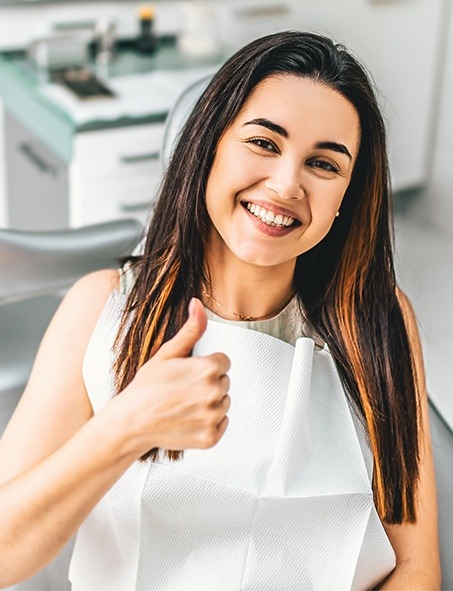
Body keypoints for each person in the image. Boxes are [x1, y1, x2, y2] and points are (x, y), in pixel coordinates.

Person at [0, 31, 441, 591]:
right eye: (263, 143)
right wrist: (124, 428)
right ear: (209, 145)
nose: (285, 185)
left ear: (346, 200)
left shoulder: (377, 320)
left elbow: (416, 568)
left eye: (324, 165)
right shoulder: (103, 308)